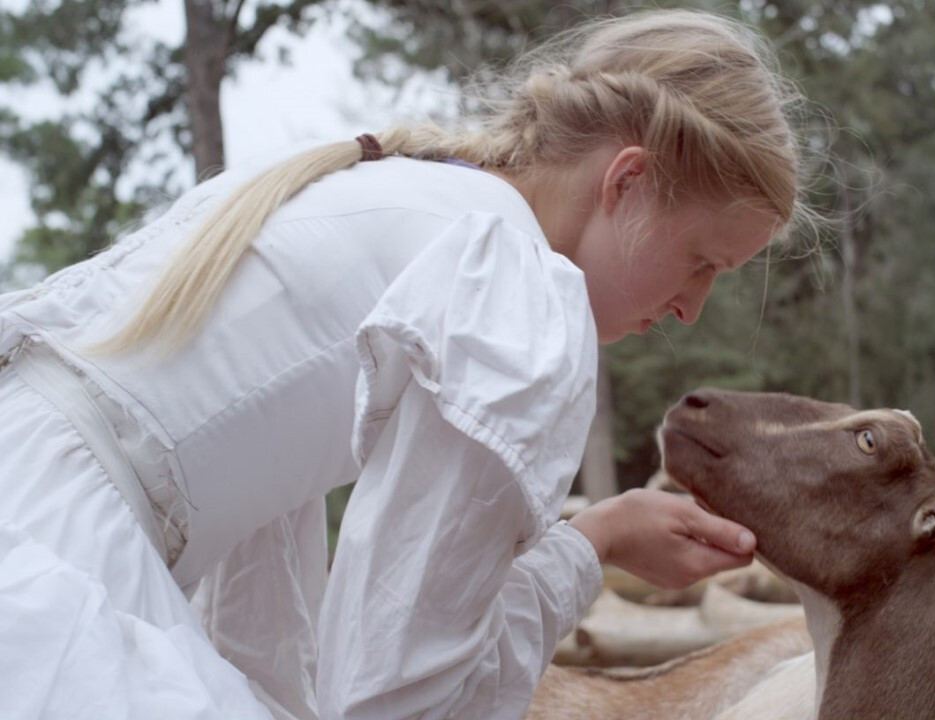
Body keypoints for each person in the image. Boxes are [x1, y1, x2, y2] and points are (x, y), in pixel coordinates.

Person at [0, 8, 807, 720]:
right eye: (703, 261)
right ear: (626, 181)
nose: (691, 307)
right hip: (52, 562)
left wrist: (599, 534)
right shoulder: (513, 290)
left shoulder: (396, 193)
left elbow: (260, 582)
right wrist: (587, 551)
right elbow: (398, 694)